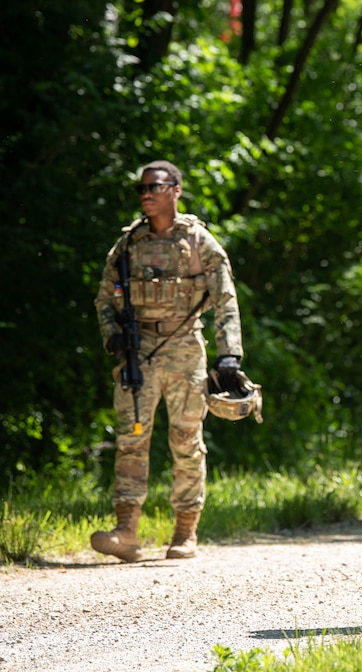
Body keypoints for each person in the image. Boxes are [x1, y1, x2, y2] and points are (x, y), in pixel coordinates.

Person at [92, 160, 245, 562]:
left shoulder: (199, 241)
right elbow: (105, 297)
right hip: (138, 355)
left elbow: (225, 299)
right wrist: (114, 337)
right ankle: (126, 532)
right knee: (131, 440)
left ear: (175, 190)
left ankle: (185, 532)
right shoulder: (128, 244)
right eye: (142, 188)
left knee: (186, 442)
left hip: (185, 353)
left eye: (155, 187)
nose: (146, 194)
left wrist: (229, 354)